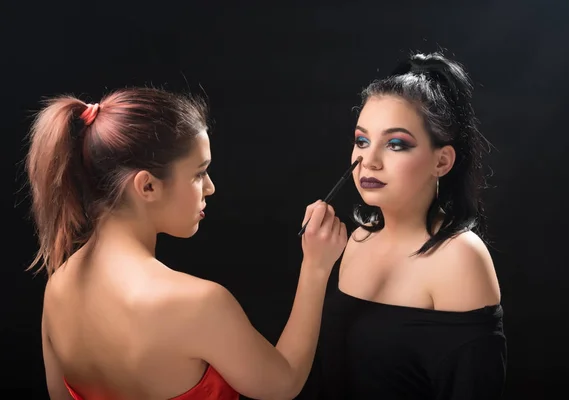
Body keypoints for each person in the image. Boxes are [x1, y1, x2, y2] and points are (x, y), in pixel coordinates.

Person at [25, 87, 348, 400]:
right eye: (198, 174)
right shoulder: (198, 304)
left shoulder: (59, 286)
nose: (210, 188)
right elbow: (285, 381)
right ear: (147, 186)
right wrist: (316, 267)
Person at [298, 52, 506, 399]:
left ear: (442, 161)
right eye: (362, 141)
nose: (369, 161)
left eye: (396, 144)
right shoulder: (357, 240)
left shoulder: (459, 258)